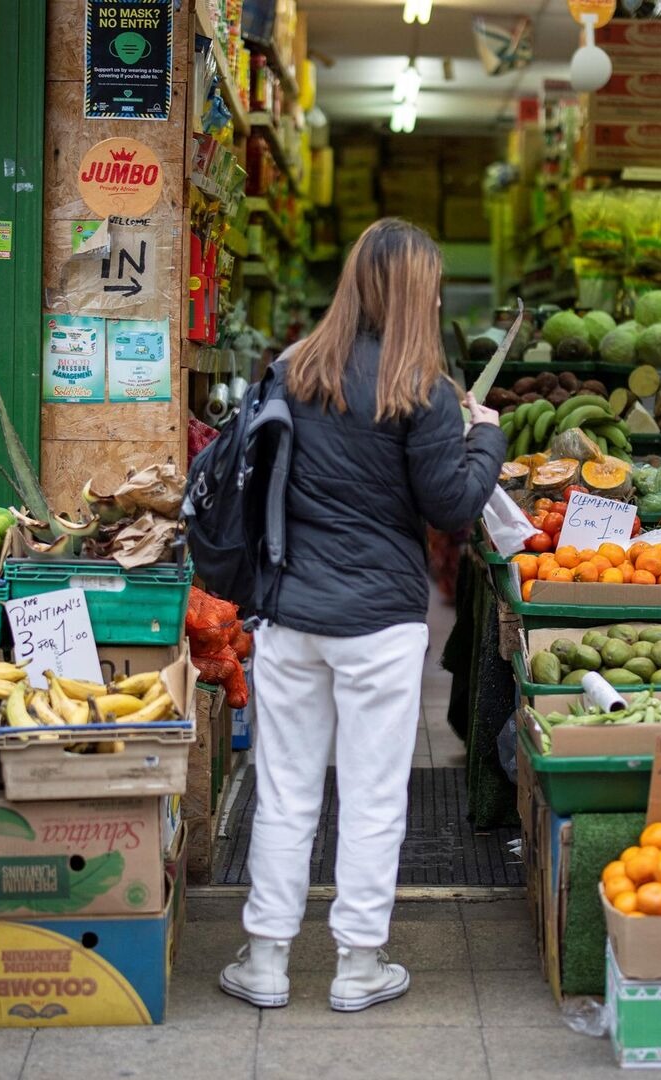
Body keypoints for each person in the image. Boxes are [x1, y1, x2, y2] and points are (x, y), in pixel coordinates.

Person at [218, 218, 506, 1012]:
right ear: (419, 293)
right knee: (375, 796)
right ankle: (357, 965)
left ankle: (267, 959)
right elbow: (451, 506)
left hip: (291, 612)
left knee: (284, 790)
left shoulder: (289, 371)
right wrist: (489, 439)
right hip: (380, 621)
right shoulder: (420, 388)